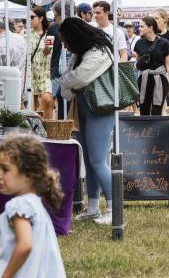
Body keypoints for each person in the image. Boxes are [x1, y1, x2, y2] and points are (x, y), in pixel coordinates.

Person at [58, 18, 114, 225]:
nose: (63, 43)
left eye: (65, 39)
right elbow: (69, 82)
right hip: (84, 109)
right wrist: (68, 83)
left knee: (98, 161)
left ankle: (113, 208)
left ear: (75, 36)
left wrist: (66, 83)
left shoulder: (99, 52)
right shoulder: (80, 54)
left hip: (100, 109)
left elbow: (78, 78)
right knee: (89, 161)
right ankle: (92, 207)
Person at [0, 135, 67, 278]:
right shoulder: (35, 205)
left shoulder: (19, 205)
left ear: (28, 175)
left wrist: (6, 275)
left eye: (5, 170)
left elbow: (25, 244)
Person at [134, 16, 169, 117]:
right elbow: (138, 63)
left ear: (151, 28)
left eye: (142, 26)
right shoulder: (139, 43)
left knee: (157, 110)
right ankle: (144, 131)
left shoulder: (164, 43)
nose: (139, 28)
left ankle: (156, 132)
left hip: (160, 79)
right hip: (144, 78)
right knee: (143, 108)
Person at [28, 8, 55, 120]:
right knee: (31, 108)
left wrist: (47, 47)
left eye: (32, 17)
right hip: (30, 74)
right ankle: (34, 131)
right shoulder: (26, 34)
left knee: (48, 101)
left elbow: (47, 52)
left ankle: (48, 127)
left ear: (41, 18)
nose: (29, 20)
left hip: (44, 73)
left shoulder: (49, 34)